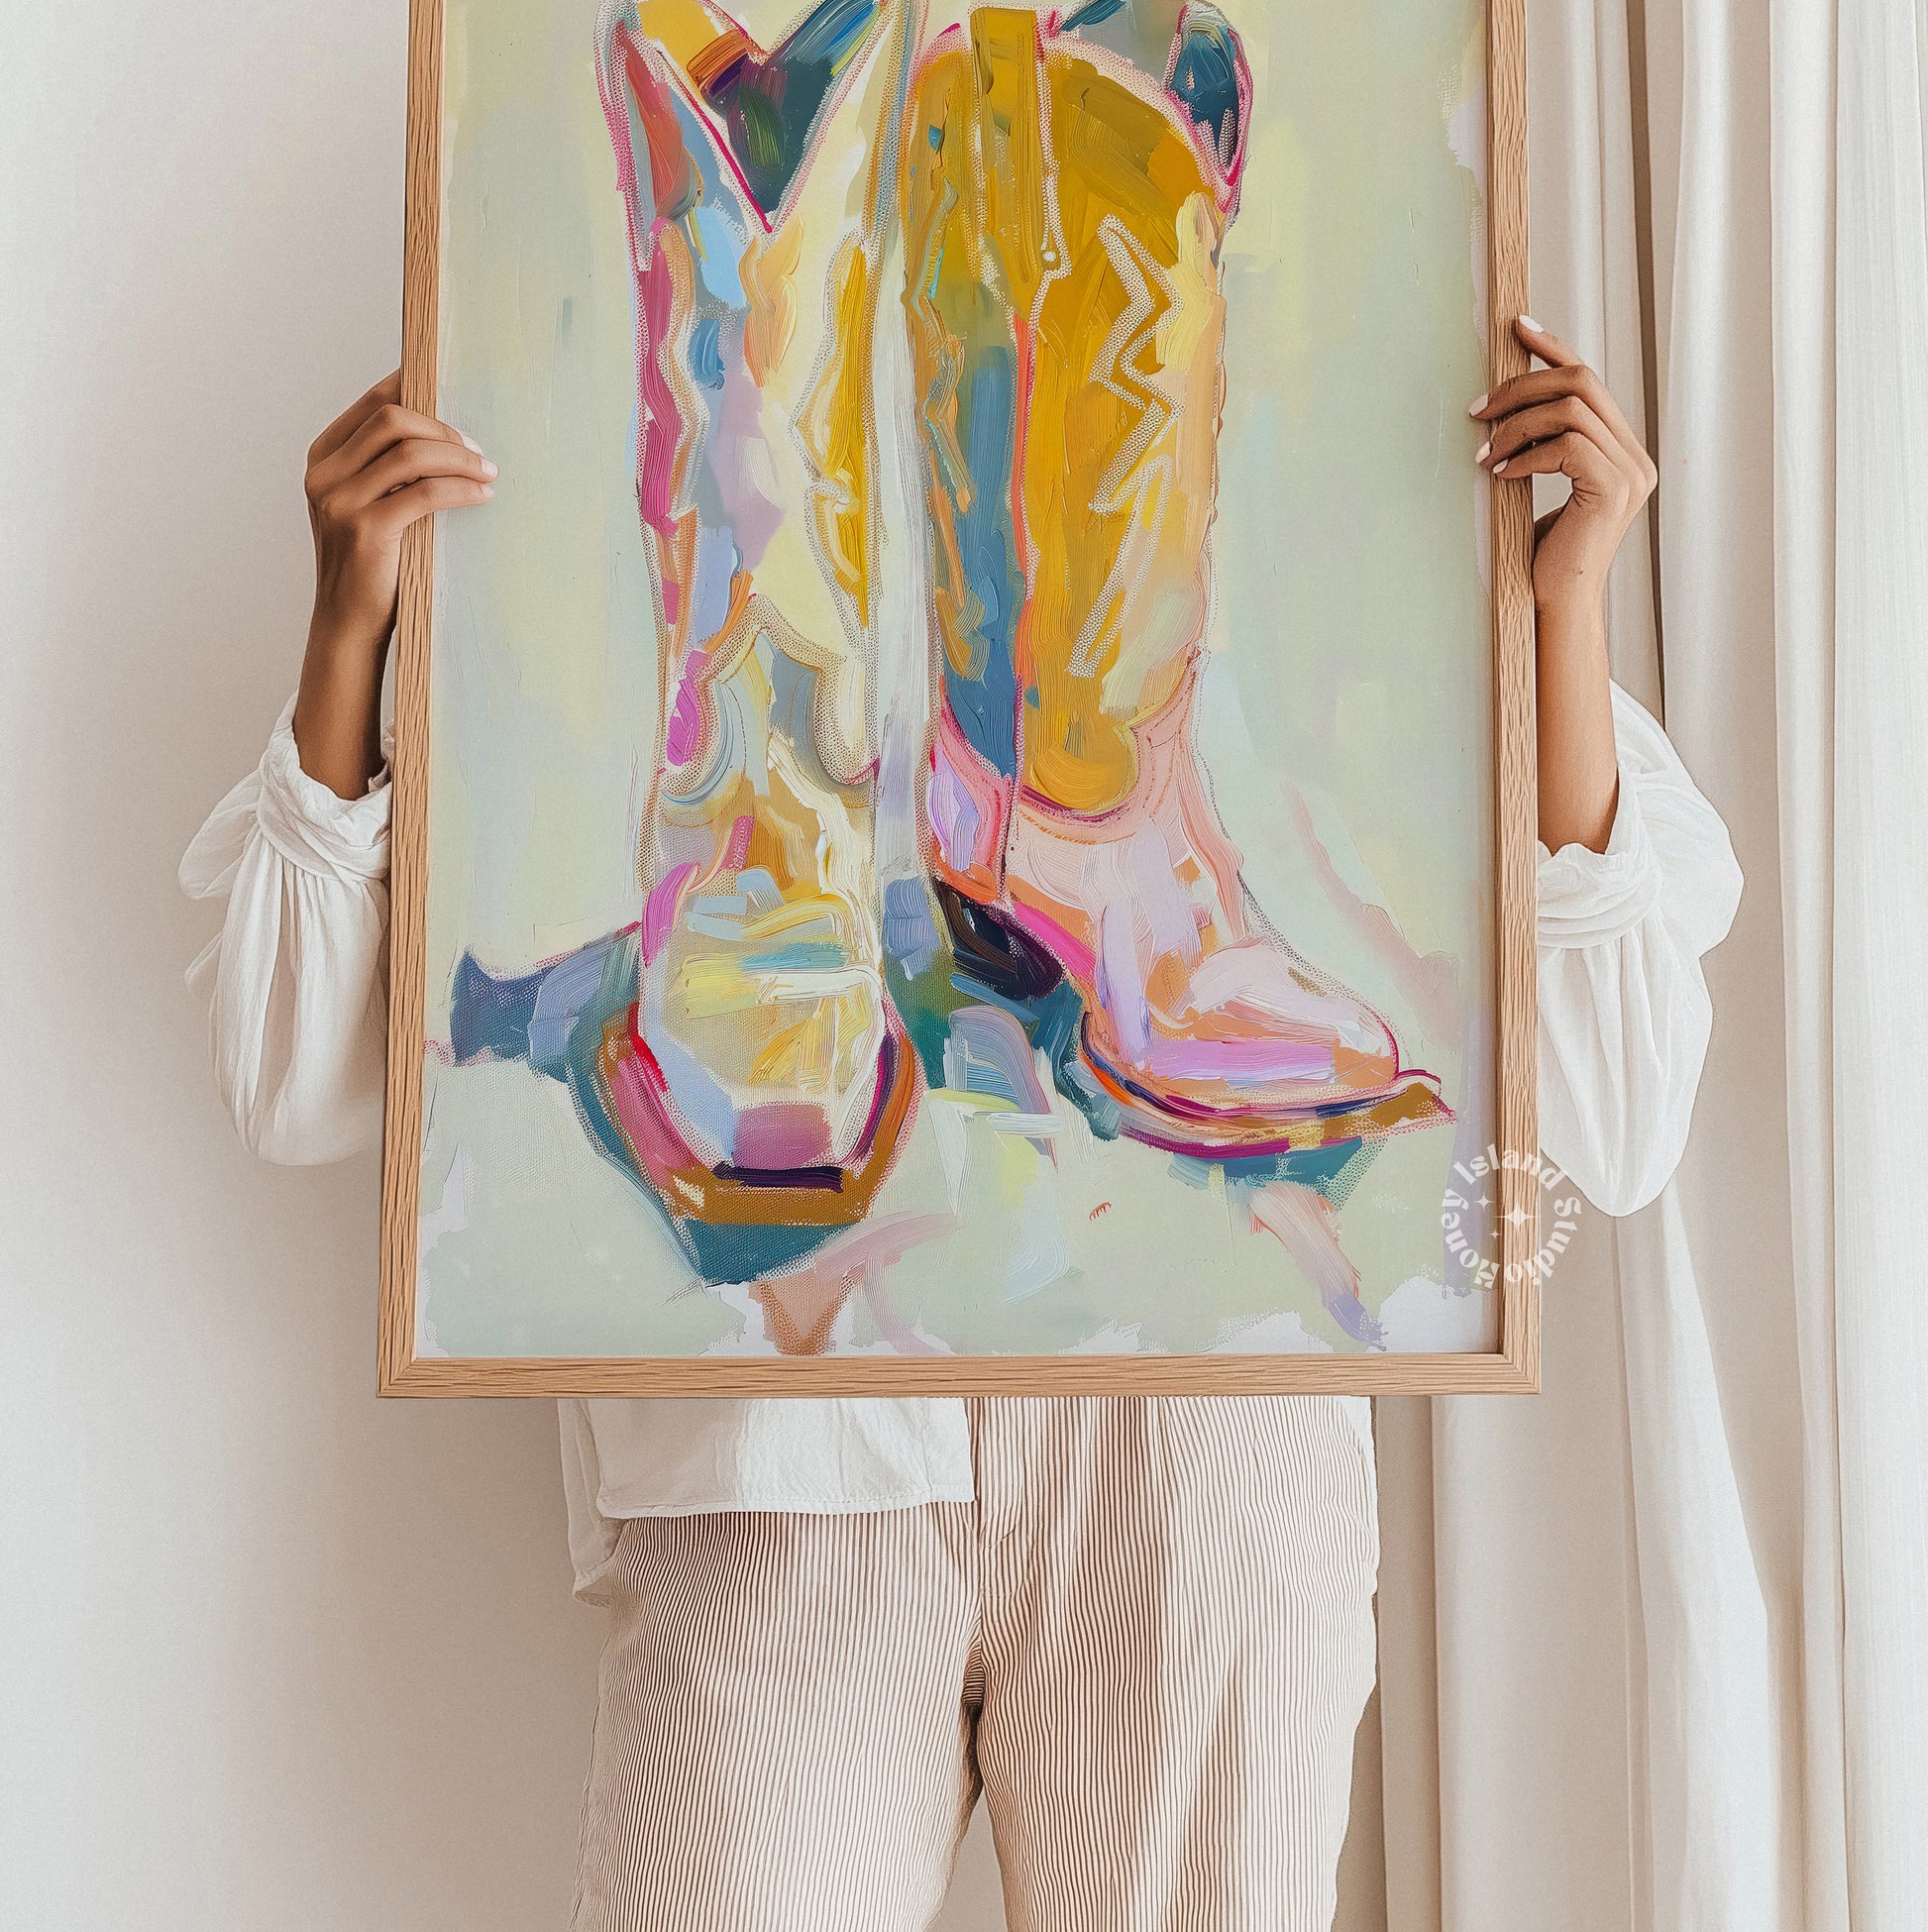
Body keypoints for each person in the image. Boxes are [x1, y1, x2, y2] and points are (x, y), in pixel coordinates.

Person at [181, 297, 1740, 1932]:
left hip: (1200, 1430)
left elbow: (1615, 1119)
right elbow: (294, 1078)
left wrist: (1559, 611)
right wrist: (351, 624)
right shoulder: (573, 486)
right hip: (781, 1449)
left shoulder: (1337, 548)